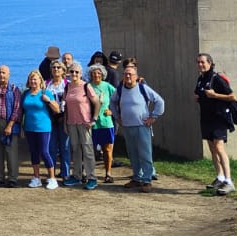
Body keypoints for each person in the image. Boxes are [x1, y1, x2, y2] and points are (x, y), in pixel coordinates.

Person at [111, 61, 165, 190]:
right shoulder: (120, 89)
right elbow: (112, 103)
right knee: (133, 154)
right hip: (127, 127)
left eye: (130, 74)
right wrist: (117, 117)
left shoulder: (142, 88)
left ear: (136, 76)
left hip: (142, 126)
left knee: (145, 154)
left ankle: (147, 180)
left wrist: (153, 117)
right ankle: (137, 177)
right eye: (125, 74)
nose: (128, 77)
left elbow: (159, 101)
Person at [194, 54, 237, 195]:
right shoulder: (201, 79)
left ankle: (229, 181)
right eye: (198, 62)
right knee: (212, 148)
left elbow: (232, 96)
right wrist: (197, 97)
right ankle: (219, 177)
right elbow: (199, 94)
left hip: (219, 118)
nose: (200, 65)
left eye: (203, 62)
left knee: (219, 148)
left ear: (210, 63)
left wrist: (215, 95)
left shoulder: (217, 79)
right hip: (206, 118)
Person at [20, 71, 59, 189]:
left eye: (35, 79)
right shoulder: (25, 94)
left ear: (40, 80)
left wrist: (48, 100)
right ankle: (36, 178)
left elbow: (57, 109)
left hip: (43, 127)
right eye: (31, 79)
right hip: (29, 127)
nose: (33, 81)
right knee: (33, 152)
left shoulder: (45, 93)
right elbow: (22, 111)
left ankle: (52, 179)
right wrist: (22, 126)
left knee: (44, 152)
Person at [63, 62, 99, 189]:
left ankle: (91, 177)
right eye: (72, 71)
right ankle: (77, 176)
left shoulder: (86, 86)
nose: (74, 74)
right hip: (71, 123)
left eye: (77, 72)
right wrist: (65, 123)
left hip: (85, 124)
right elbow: (66, 107)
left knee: (88, 151)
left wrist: (94, 119)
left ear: (81, 74)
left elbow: (97, 102)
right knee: (76, 150)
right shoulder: (67, 88)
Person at [88, 61, 116, 183]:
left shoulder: (107, 86)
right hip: (92, 122)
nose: (96, 75)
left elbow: (119, 98)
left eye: (98, 73)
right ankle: (89, 173)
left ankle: (108, 173)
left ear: (102, 74)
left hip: (106, 122)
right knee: (90, 149)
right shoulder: (87, 86)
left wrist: (112, 111)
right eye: (94, 73)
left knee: (107, 149)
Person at [45, 57, 70, 181]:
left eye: (58, 67)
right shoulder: (46, 84)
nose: (56, 69)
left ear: (63, 70)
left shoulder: (67, 84)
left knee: (65, 147)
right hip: (49, 119)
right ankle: (52, 174)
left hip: (64, 118)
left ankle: (65, 174)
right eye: (54, 67)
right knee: (51, 147)